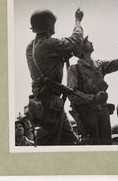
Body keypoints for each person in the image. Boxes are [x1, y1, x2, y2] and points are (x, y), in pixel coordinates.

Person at [26, 8, 83, 145]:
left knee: (70, 141)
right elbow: (76, 40)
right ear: (49, 25)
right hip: (50, 104)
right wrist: (78, 21)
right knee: (48, 144)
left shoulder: (31, 47)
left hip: (47, 102)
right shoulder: (49, 44)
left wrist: (61, 57)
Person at [67, 33, 118, 145]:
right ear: (81, 48)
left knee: (106, 145)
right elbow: (72, 95)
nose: (91, 42)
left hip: (103, 113)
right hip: (87, 115)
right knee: (92, 146)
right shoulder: (74, 69)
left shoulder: (99, 65)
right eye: (87, 41)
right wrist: (93, 98)